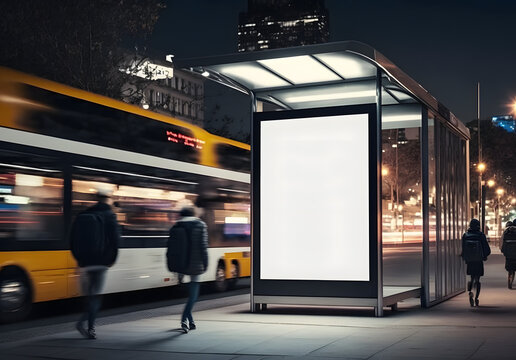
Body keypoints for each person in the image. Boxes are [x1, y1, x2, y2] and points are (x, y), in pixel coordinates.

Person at [71, 188, 120, 339]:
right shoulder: (110, 215)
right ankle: (89, 327)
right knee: (96, 297)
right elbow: (115, 240)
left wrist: (79, 258)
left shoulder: (83, 214)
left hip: (85, 262)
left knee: (89, 295)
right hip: (101, 263)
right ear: (108, 199)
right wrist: (111, 259)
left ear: (96, 198)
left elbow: (72, 239)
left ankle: (85, 322)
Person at [167, 206, 208, 333]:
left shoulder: (176, 226)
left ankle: (191, 321)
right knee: (193, 297)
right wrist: (205, 263)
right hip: (195, 265)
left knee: (190, 296)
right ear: (194, 213)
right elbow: (203, 246)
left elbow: (170, 247)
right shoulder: (201, 225)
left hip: (180, 265)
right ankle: (184, 320)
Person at [461, 219, 490, 307]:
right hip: (478, 260)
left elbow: (463, 248)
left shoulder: (465, 235)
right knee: (478, 278)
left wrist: (465, 257)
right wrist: (485, 255)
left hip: (470, 260)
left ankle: (470, 291)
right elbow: (486, 248)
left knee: (472, 276)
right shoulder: (481, 235)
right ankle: (476, 297)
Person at [501, 220, 516, 289]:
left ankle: (509, 280)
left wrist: (503, 251)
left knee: (510, 268)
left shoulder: (507, 232)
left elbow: (503, 242)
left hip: (508, 253)